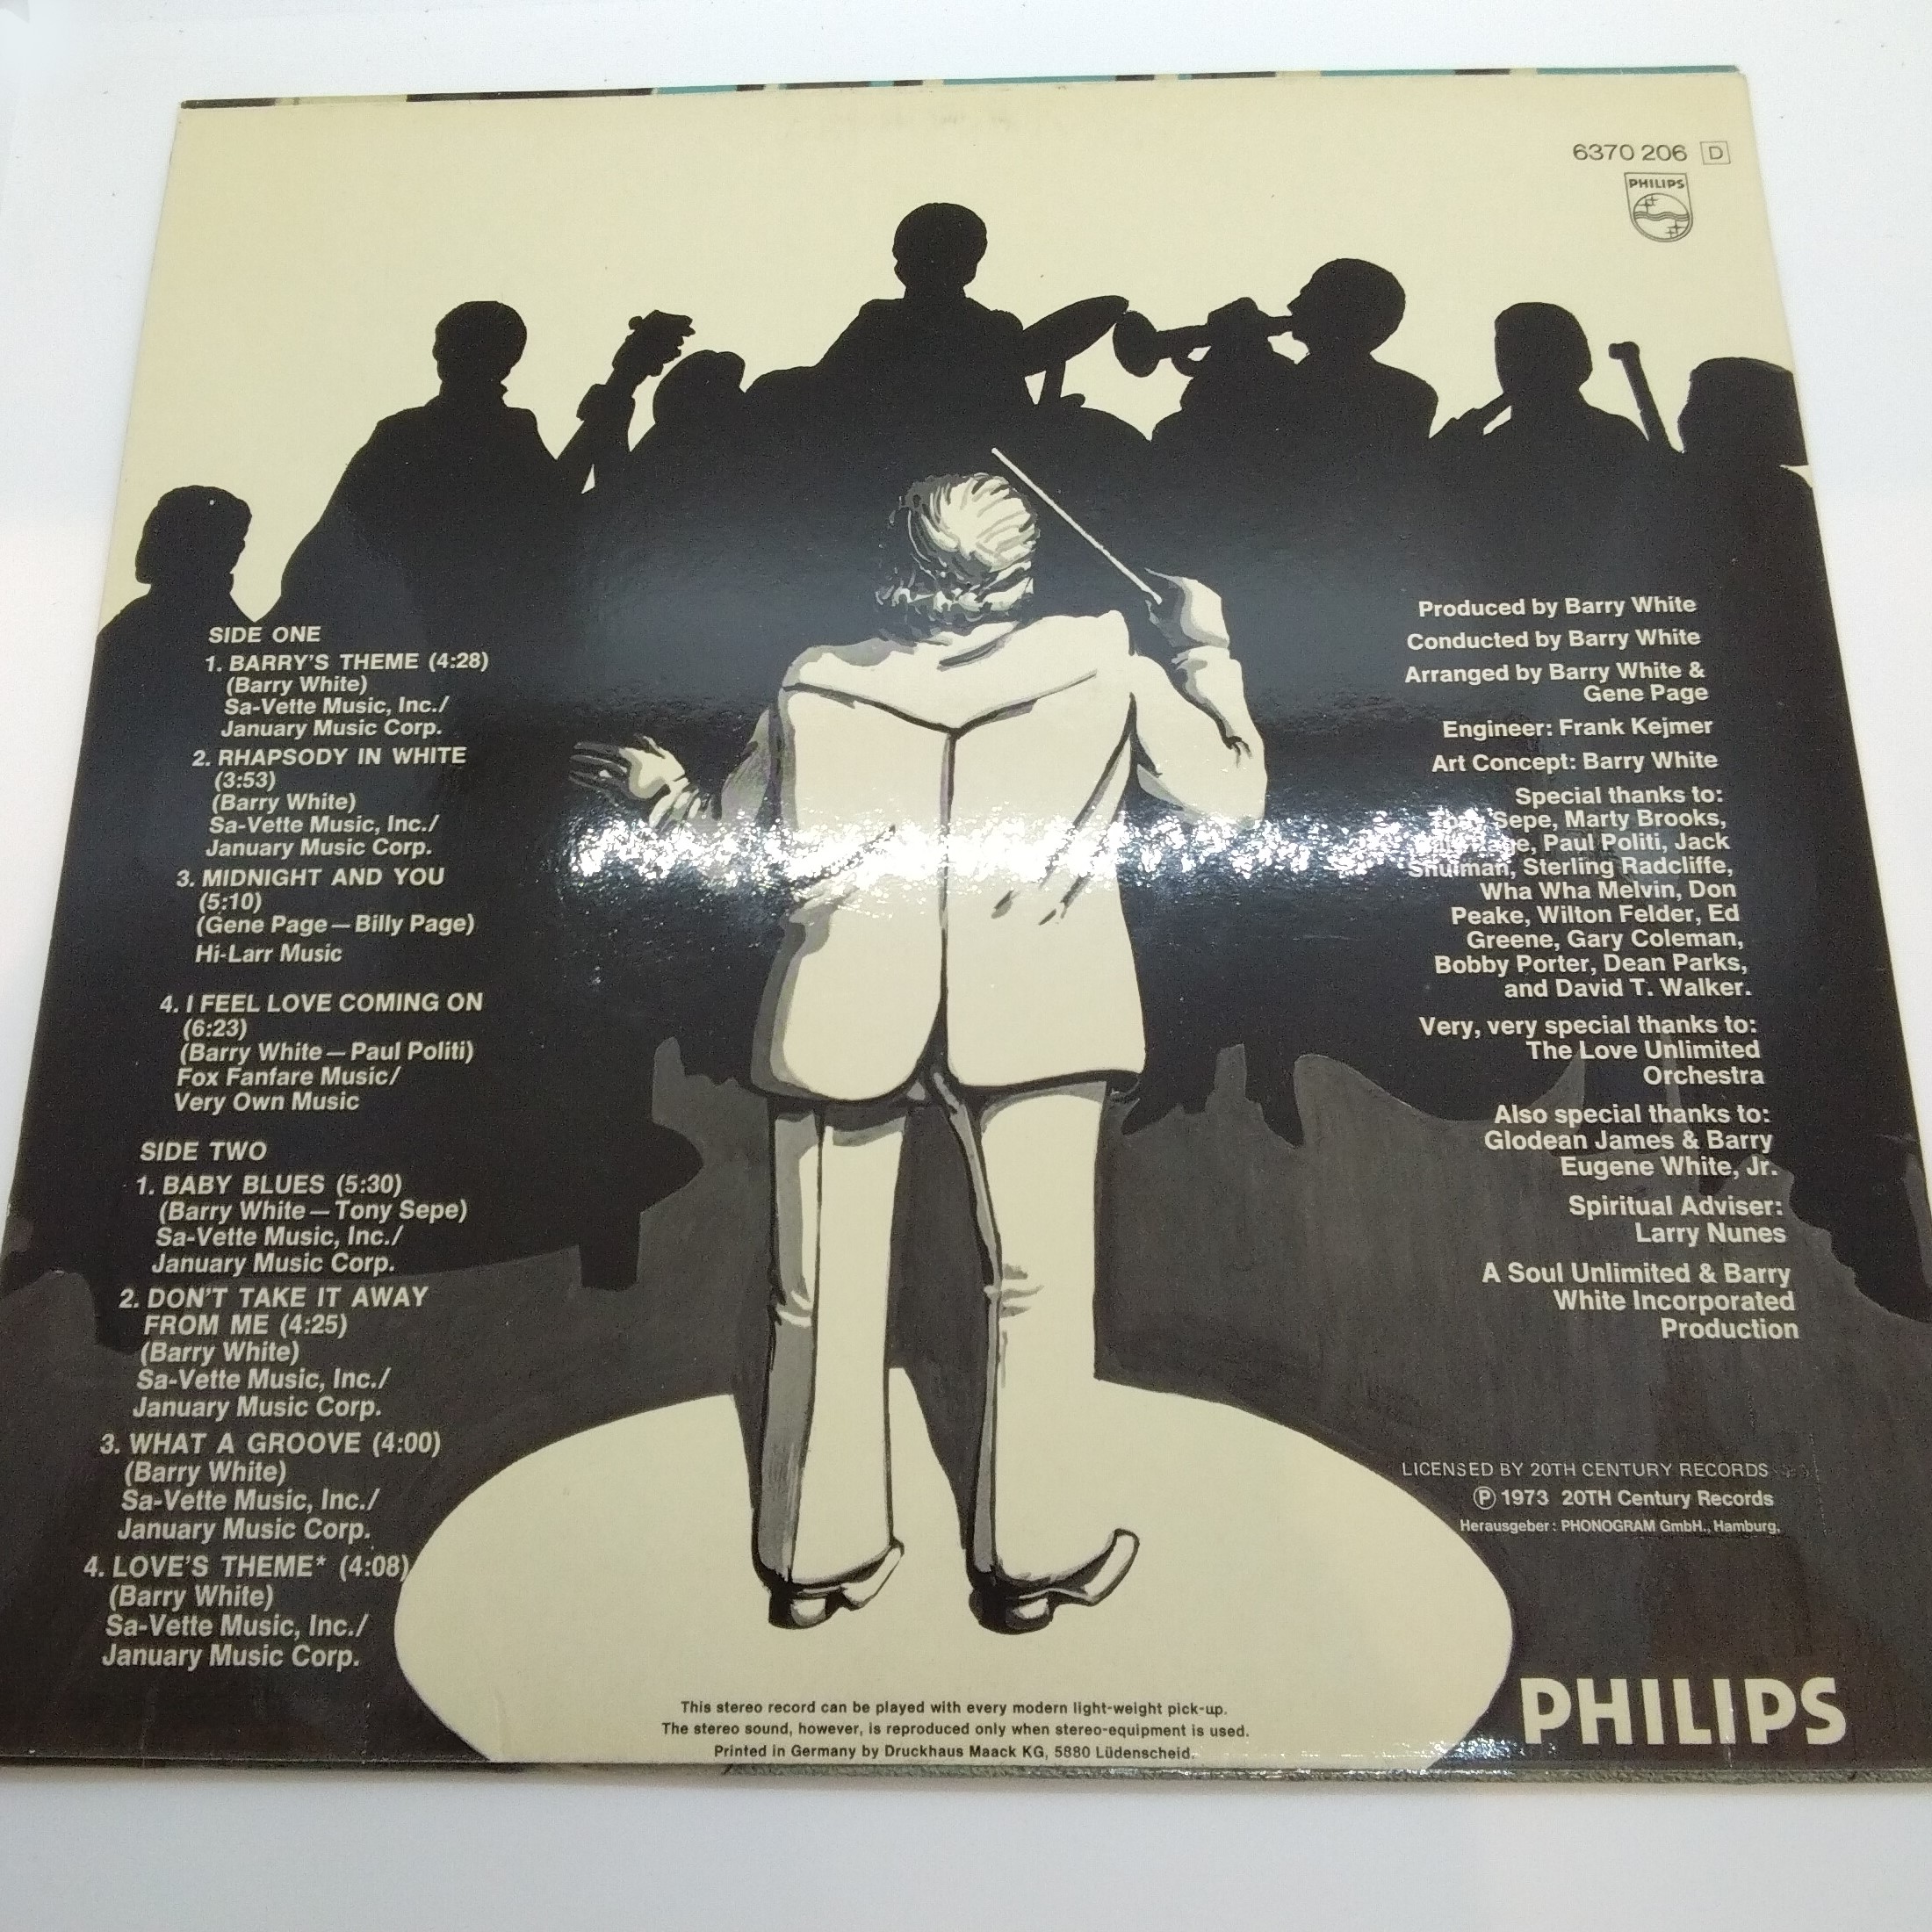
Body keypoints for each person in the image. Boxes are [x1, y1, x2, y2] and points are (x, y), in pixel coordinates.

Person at [571, 472, 1266, 1632]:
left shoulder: (814, 684)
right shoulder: (1110, 670)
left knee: (816, 1295)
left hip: (843, 1009)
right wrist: (1206, 651)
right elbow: (1235, 800)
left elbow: (740, 853)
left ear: (896, 563)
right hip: (1039, 1014)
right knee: (1039, 1289)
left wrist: (661, 798)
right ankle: (1034, 1561)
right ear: (1023, 570)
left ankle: (811, 1564)